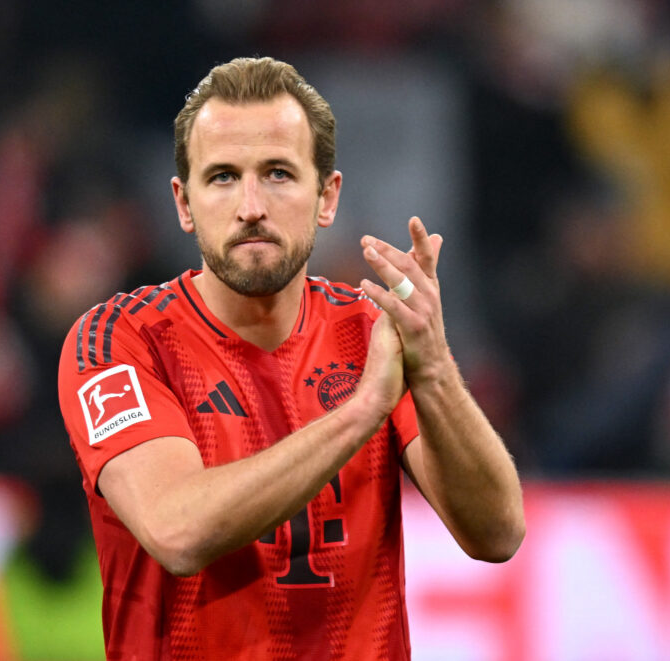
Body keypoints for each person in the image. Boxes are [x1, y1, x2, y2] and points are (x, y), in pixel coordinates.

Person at [58, 56, 525, 660]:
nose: (251, 205)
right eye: (223, 177)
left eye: (278, 173)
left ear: (327, 197)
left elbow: (497, 532)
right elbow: (177, 530)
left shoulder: (368, 331)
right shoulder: (119, 340)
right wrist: (361, 414)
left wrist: (433, 366)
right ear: (184, 203)